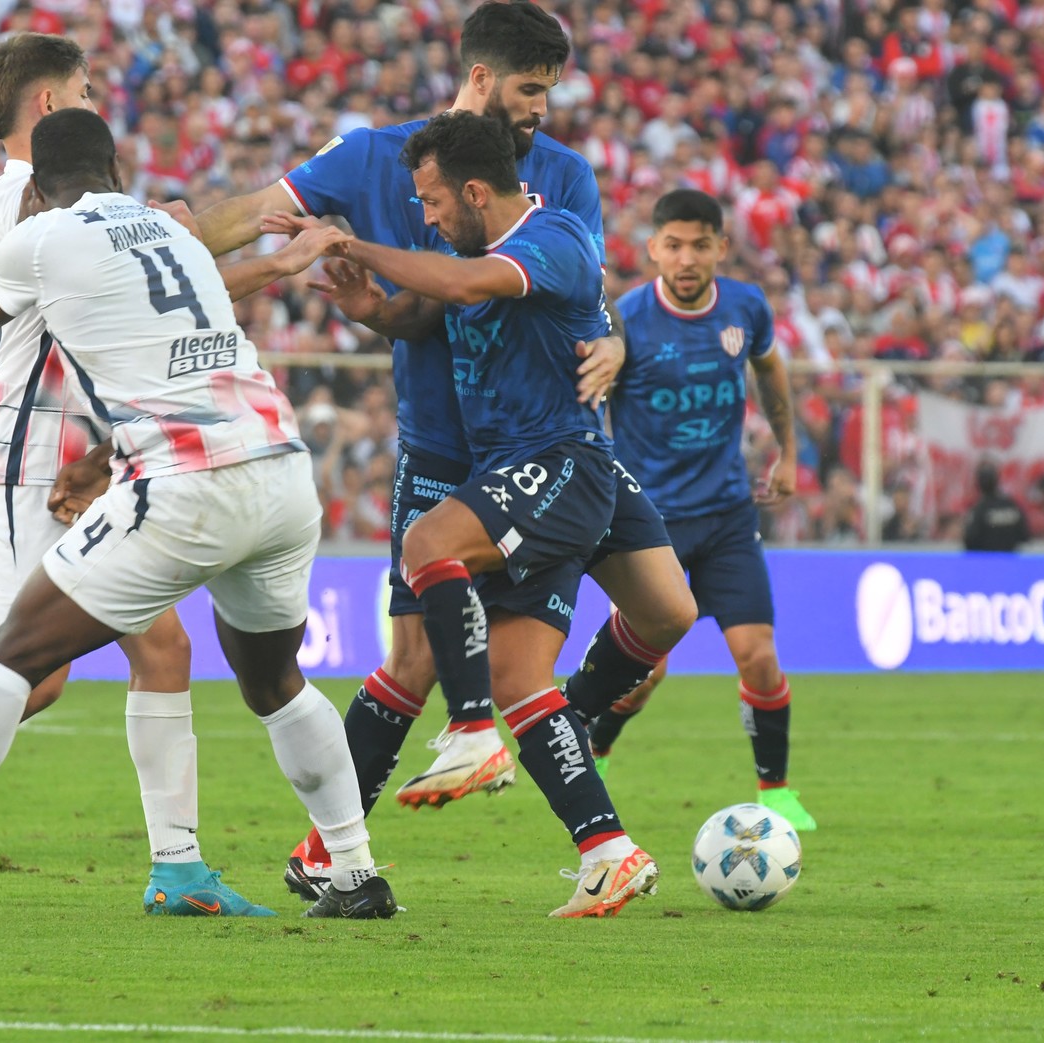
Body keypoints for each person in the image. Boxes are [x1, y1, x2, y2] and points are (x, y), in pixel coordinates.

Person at [0, 108, 392, 922]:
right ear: (116, 166)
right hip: (281, 471)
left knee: (12, 654)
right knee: (276, 682)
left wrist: (24, 241)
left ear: (41, 185)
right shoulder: (177, 235)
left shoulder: (47, 233)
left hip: (187, 484)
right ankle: (355, 874)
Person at [194, 0, 693, 898]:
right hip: (447, 447)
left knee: (658, 618)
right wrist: (161, 240)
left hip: (548, 446)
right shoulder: (370, 157)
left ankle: (530, 731)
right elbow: (271, 220)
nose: (541, 107)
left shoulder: (561, 182)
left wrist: (615, 336)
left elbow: (565, 284)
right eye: (531, 87)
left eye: (549, 90)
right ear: (479, 77)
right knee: (422, 661)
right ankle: (334, 848)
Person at [315, 112, 660, 918]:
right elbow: (423, 311)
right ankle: (609, 851)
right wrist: (369, 303)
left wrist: (351, 241)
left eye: (431, 201)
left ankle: (471, 733)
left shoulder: (554, 238)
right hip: (512, 472)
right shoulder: (461, 254)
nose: (424, 216)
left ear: (474, 190)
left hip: (562, 466)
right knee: (519, 676)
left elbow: (470, 287)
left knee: (426, 542)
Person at [565, 190, 817, 832]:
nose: (686, 258)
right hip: (652, 524)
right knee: (646, 673)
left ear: (720, 249)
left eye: (700, 245)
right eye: (673, 245)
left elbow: (769, 368)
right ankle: (598, 747)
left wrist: (786, 452)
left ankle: (777, 791)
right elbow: (589, 402)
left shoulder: (745, 306)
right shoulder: (625, 320)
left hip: (730, 515)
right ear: (653, 248)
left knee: (759, 656)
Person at [963, 459, 1031, 552]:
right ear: (997, 481)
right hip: (1010, 562)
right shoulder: (1011, 505)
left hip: (987, 562)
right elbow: (1025, 536)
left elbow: (970, 541)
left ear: (978, 484)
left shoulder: (979, 509)